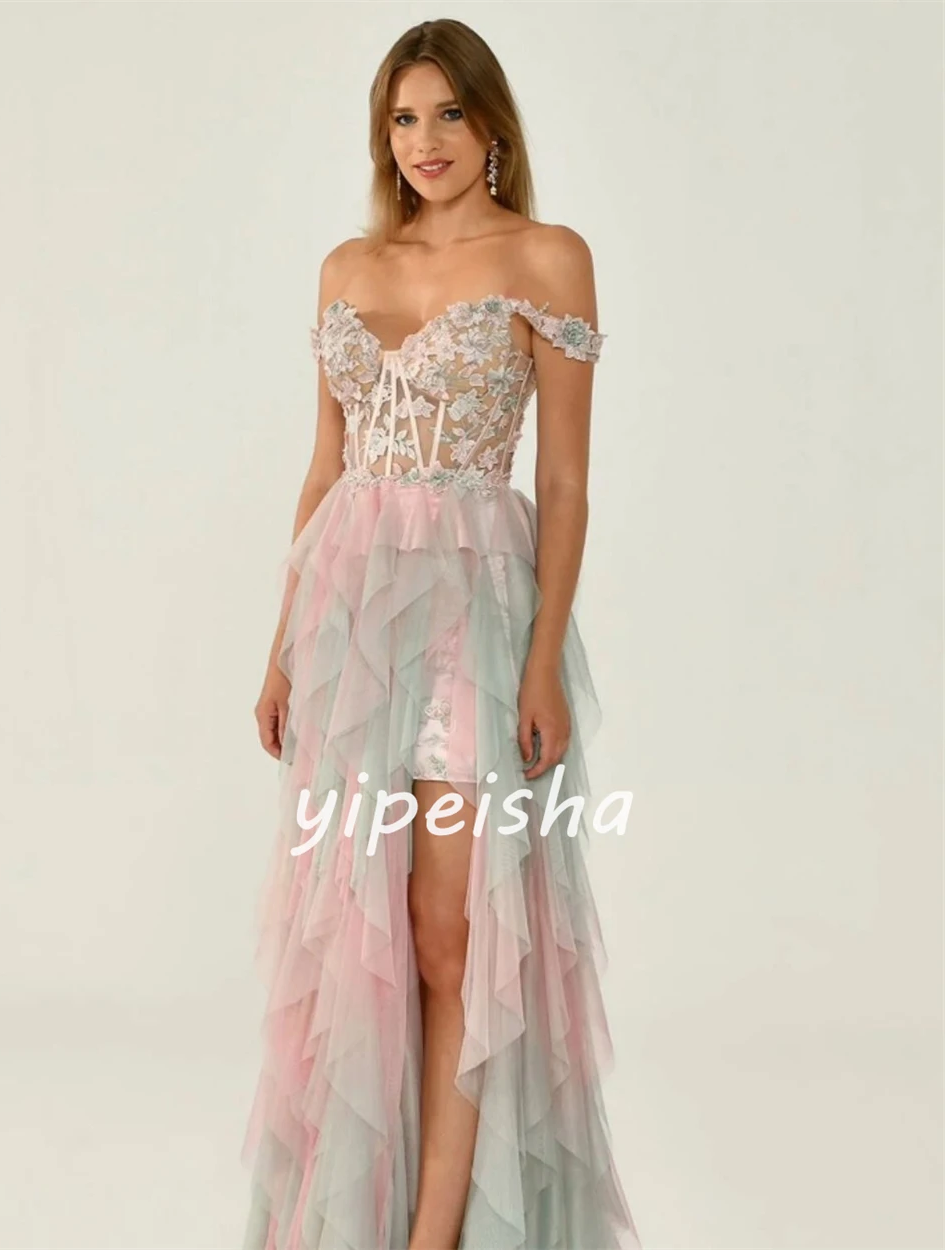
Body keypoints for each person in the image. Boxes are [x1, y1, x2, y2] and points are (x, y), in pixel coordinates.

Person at [241, 17, 641, 1250]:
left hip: (477, 618)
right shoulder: (347, 267)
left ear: (492, 124)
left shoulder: (546, 258)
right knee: (370, 931)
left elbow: (563, 484)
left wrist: (542, 660)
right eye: (405, 118)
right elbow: (326, 469)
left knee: (456, 929)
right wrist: (280, 646)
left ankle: (434, 1235)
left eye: (448, 114)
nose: (426, 141)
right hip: (352, 628)